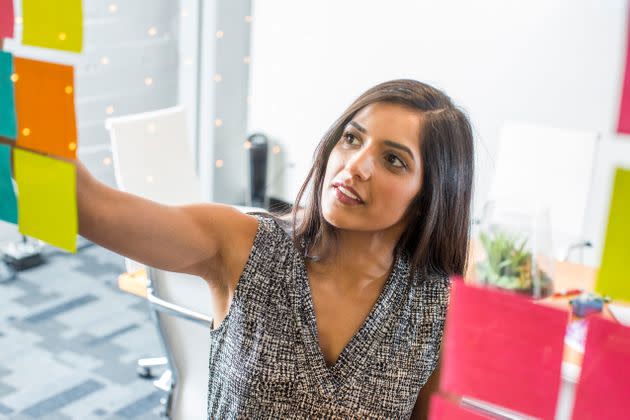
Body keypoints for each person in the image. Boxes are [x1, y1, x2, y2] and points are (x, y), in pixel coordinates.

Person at [77, 78, 474, 418]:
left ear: (429, 196)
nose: (354, 166)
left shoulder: (438, 308)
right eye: (351, 138)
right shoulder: (243, 244)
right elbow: (90, 208)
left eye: (392, 160)